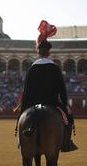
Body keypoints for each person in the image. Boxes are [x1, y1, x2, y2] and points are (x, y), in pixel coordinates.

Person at [19, 20, 78, 152]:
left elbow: (26, 90)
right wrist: (65, 104)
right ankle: (67, 142)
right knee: (68, 118)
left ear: (38, 52)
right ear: (49, 53)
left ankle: (20, 139)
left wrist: (24, 106)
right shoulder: (55, 68)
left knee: (22, 117)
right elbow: (61, 89)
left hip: (32, 102)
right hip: (52, 102)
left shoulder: (32, 68)